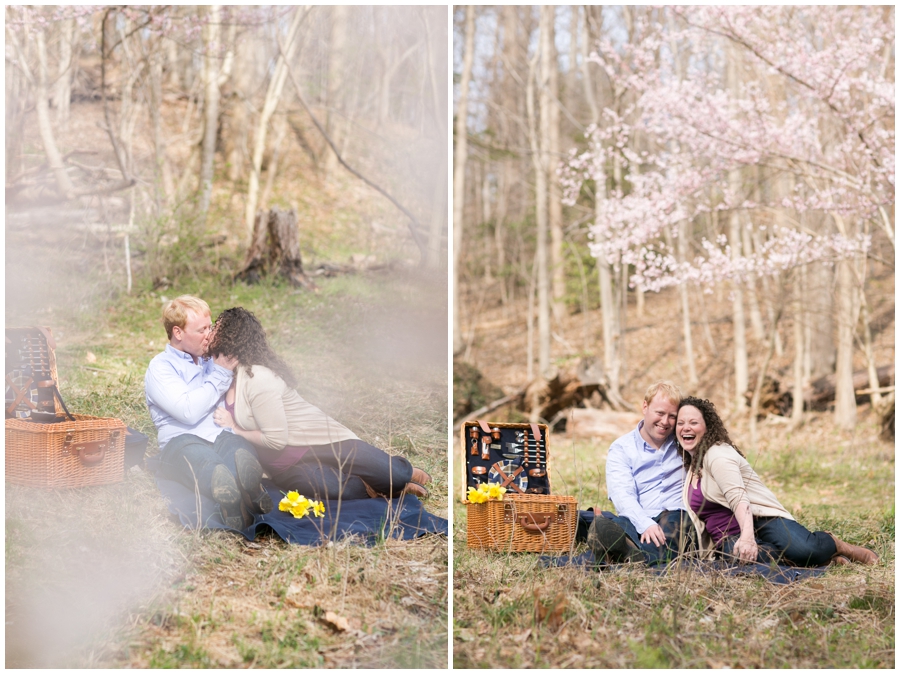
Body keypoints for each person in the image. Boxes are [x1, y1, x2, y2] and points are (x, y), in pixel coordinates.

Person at [205, 306, 432, 502]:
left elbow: (275, 440)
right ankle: (379, 488)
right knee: (334, 488)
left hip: (317, 439)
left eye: (215, 326)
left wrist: (236, 428)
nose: (210, 331)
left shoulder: (258, 378)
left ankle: (403, 473)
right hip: (285, 467)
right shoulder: (215, 375)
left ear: (230, 336)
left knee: (393, 473)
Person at [676, 396, 878, 566]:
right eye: (681, 423)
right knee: (742, 558)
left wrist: (748, 537)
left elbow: (738, 497)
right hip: (728, 539)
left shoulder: (717, 455)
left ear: (707, 426)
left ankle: (836, 545)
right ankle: (826, 560)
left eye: (693, 422)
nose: (686, 428)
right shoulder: (691, 462)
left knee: (804, 549)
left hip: (761, 520)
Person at [145, 295, 273, 530]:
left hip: (219, 434)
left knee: (237, 450)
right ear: (178, 333)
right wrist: (222, 373)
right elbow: (188, 412)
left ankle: (246, 490)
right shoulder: (160, 367)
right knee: (208, 464)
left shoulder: (211, 358)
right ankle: (232, 494)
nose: (209, 334)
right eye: (201, 329)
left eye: (210, 326)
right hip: (181, 441)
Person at [587, 381, 694, 565]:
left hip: (675, 515)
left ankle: (626, 555)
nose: (665, 422)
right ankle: (631, 551)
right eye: (660, 413)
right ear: (645, 406)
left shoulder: (685, 443)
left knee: (677, 525)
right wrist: (646, 524)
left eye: (672, 416)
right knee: (619, 526)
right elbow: (622, 495)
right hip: (639, 516)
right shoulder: (622, 448)